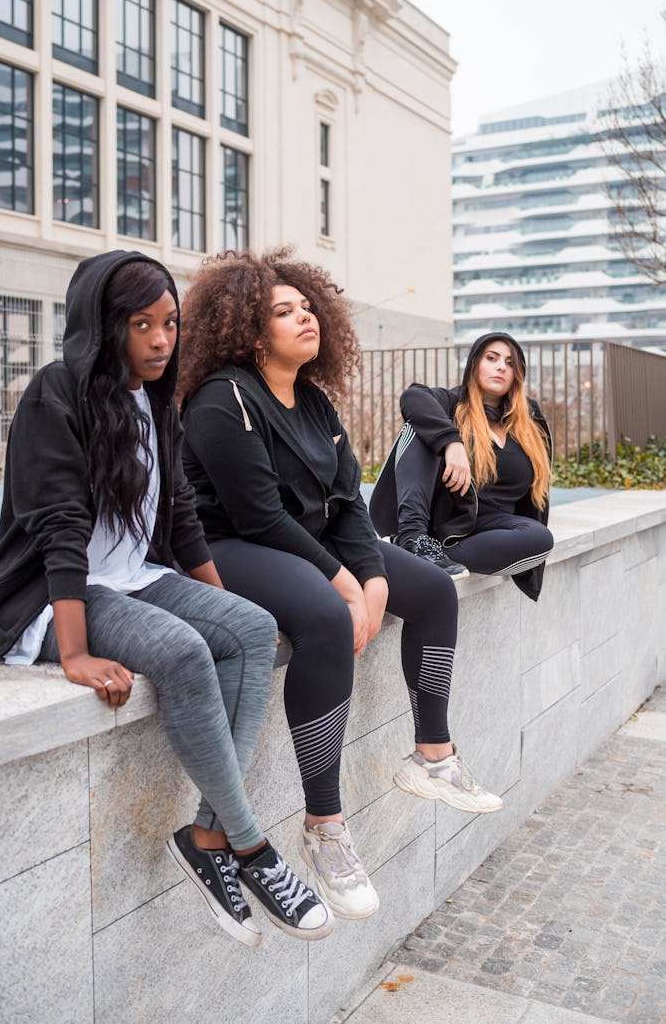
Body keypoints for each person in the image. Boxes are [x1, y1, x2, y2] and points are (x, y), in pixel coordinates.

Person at [0, 249, 333, 947]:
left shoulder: (157, 399)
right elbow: (59, 530)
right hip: (55, 592)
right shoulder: (56, 392)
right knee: (185, 653)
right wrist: (72, 652)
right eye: (142, 324)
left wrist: (229, 613)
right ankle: (250, 848)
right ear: (105, 326)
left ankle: (205, 837)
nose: (161, 340)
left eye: (169, 324)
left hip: (134, 575)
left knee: (252, 630)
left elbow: (183, 515)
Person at [178, 248, 503, 924]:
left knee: (435, 592)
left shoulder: (316, 401)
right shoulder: (223, 399)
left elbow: (349, 505)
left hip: (306, 543)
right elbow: (257, 514)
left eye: (307, 308)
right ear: (246, 328)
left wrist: (376, 577)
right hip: (229, 544)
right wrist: (347, 588)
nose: (304, 318)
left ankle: (432, 755)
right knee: (325, 618)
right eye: (283, 311)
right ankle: (325, 825)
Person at [369, 331, 554, 601]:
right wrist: (451, 442)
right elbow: (412, 397)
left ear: (518, 375)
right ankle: (412, 540)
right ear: (475, 364)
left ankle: (433, 558)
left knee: (540, 538)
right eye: (492, 358)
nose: (501, 366)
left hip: (492, 528)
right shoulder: (451, 404)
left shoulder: (529, 422)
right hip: (442, 521)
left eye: (510, 362)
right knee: (420, 428)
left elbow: (533, 502)